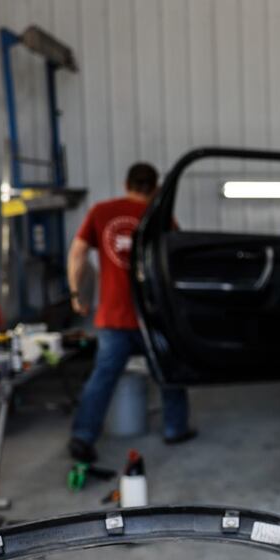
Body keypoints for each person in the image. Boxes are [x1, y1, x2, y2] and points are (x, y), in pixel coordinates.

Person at [67, 161, 193, 462]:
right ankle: (175, 428)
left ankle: (83, 436)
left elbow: (78, 254)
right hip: (153, 317)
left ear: (127, 184)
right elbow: (174, 263)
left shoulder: (101, 212)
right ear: (155, 188)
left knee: (103, 377)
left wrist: (76, 293)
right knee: (169, 372)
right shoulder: (161, 218)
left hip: (113, 315)